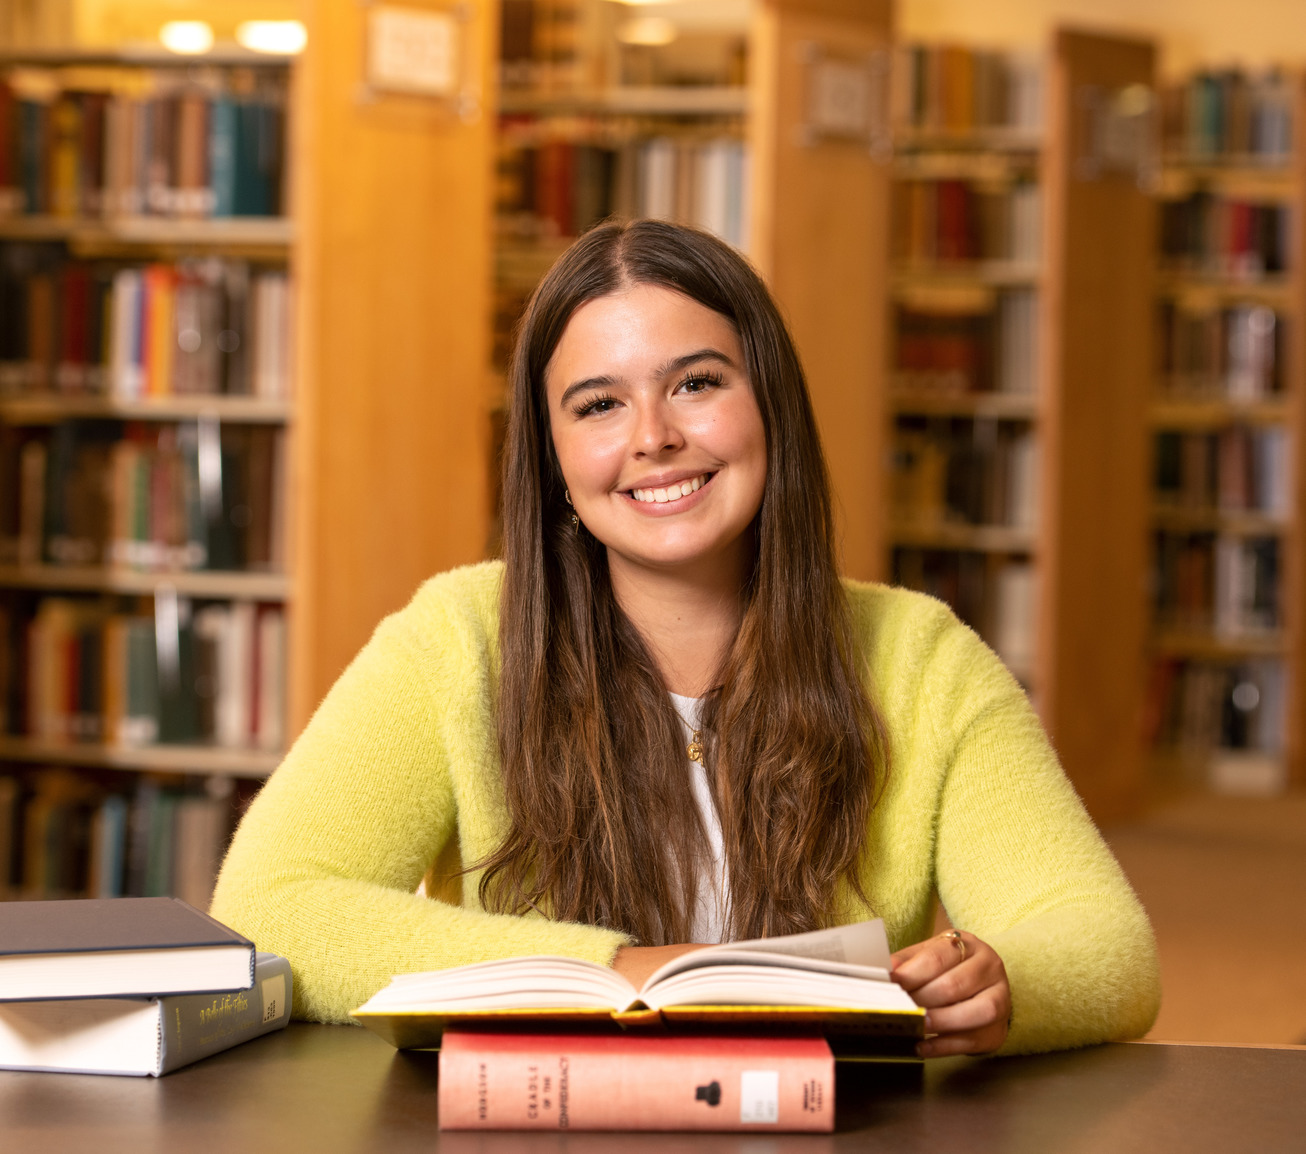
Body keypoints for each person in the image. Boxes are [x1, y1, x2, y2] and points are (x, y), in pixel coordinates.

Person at [211, 219, 1160, 1057]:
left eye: (696, 383)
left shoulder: (921, 658)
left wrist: (1002, 985)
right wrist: (622, 972)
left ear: (771, 406)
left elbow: (1102, 943)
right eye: (598, 404)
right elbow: (271, 906)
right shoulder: (457, 638)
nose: (654, 437)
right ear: (552, 458)